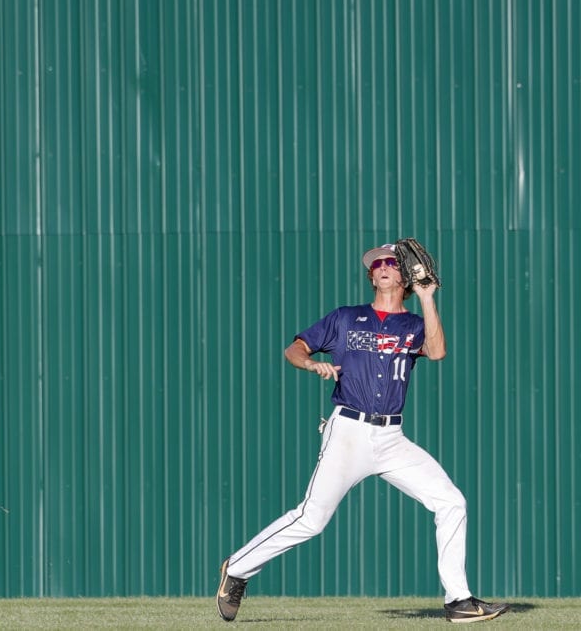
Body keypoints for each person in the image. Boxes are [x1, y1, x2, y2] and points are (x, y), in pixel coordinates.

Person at [216, 243, 509, 624]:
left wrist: (426, 297)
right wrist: (310, 363)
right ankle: (238, 568)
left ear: (404, 277)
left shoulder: (415, 324)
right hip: (348, 432)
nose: (383, 267)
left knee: (451, 502)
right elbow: (295, 348)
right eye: (378, 264)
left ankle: (459, 601)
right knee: (311, 518)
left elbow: (436, 352)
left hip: (392, 438)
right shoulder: (346, 317)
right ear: (371, 276)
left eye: (392, 263)